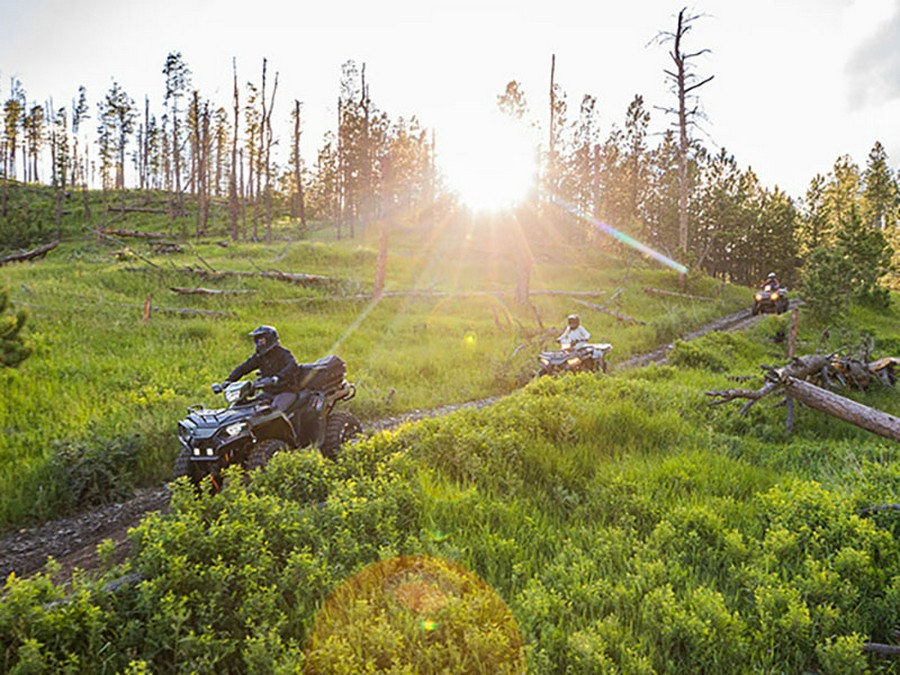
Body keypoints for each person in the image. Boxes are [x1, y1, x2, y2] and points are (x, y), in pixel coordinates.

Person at [221, 325, 300, 412]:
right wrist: (229, 381)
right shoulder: (260, 356)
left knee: (275, 413)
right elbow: (244, 368)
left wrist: (276, 378)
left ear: (269, 339)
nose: (259, 343)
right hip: (267, 393)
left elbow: (292, 365)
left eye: (262, 340)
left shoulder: (283, 353)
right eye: (258, 341)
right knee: (248, 409)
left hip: (285, 392)